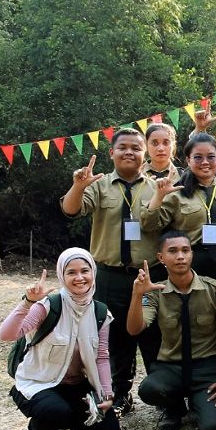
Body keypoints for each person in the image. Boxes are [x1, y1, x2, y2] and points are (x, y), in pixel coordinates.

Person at [59, 129, 158, 415]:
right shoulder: (99, 185)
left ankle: (161, 395)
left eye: (136, 148)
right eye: (123, 147)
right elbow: (70, 209)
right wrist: (78, 186)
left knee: (152, 335)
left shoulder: (156, 187)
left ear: (144, 153)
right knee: (114, 338)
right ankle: (119, 396)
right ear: (111, 153)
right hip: (109, 274)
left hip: (147, 275)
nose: (129, 152)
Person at [0, 250, 118, 430]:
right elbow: (7, 334)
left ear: (93, 273)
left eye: (85, 271)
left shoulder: (100, 312)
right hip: (40, 382)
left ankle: (70, 417)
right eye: (71, 272)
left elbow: (101, 357)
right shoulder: (48, 306)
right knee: (55, 412)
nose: (79, 278)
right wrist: (28, 302)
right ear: (62, 275)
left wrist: (106, 394)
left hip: (75, 384)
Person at [129, 232, 216, 430]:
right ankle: (174, 407)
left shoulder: (215, 289)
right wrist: (137, 295)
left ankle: (200, 404)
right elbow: (135, 329)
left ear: (192, 255)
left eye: (185, 251)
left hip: (206, 369)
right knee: (149, 389)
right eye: (173, 251)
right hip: (171, 368)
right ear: (161, 258)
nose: (180, 256)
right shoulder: (155, 292)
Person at [141, 133, 216, 286]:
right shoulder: (176, 192)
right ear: (188, 160)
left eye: (211, 157)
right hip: (190, 262)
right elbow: (149, 225)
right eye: (198, 157)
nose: (205, 162)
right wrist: (158, 196)